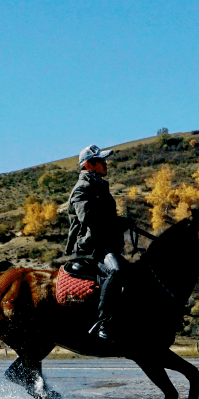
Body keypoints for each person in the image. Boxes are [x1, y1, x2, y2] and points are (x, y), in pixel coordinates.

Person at [66, 144, 131, 341]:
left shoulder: (99, 185)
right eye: (101, 161)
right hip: (92, 246)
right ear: (89, 165)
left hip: (106, 243)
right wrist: (116, 222)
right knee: (117, 271)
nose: (105, 164)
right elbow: (88, 218)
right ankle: (103, 322)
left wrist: (120, 223)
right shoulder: (82, 188)